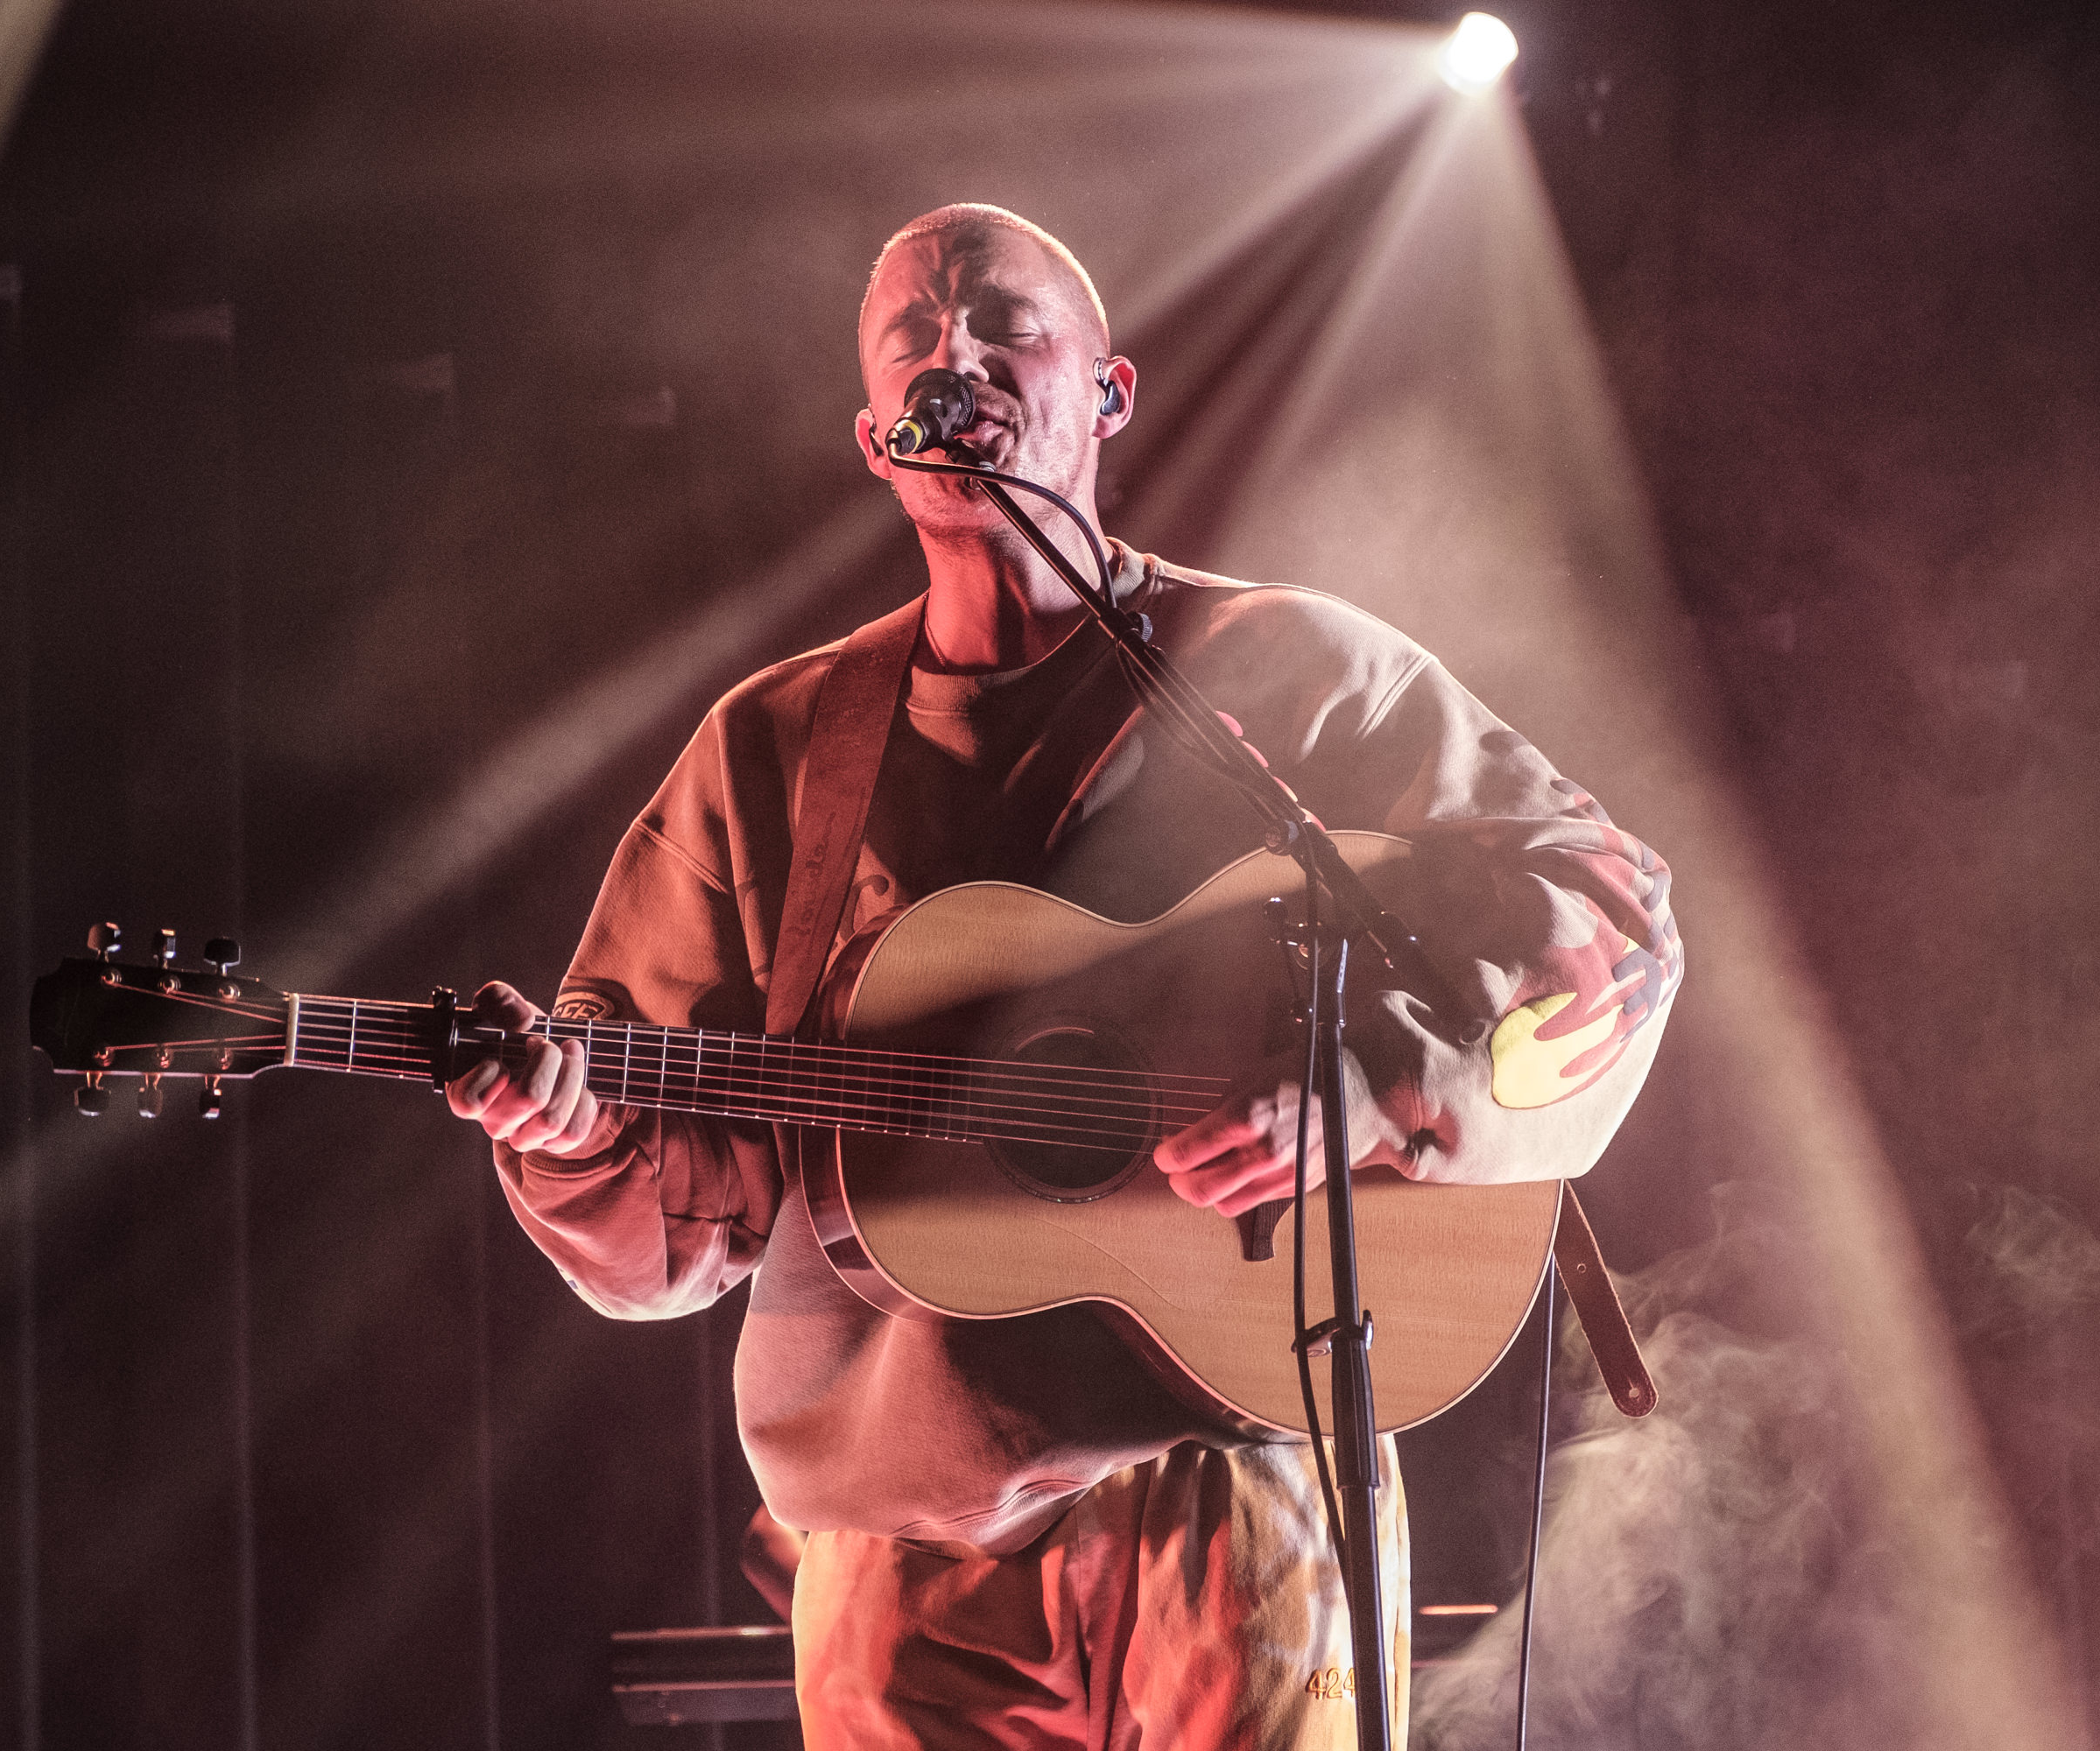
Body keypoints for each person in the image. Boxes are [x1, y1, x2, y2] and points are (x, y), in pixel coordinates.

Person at [447, 204, 1681, 1749]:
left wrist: (1378, 1093)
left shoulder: (1289, 673)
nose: (953, 356)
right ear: (879, 440)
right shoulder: (775, 751)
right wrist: (574, 1143)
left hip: (1236, 1464)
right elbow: (681, 1210)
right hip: (897, 1532)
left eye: (1001, 324)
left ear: (1108, 391)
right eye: (914, 338)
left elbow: (1609, 917)